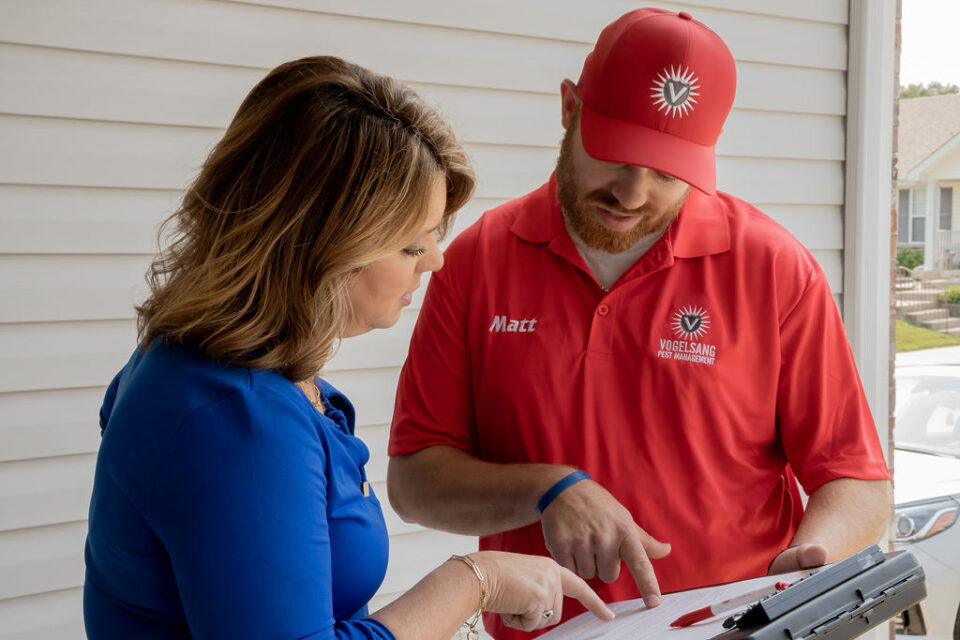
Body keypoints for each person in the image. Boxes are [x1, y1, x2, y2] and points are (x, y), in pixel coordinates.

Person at [386, 8, 892, 639]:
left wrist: (810, 564)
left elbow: (853, 479)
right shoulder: (475, 261)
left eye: (665, 170)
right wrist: (546, 491)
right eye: (617, 156)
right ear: (569, 109)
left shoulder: (775, 269)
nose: (632, 193)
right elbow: (414, 481)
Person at [82, 56, 615, 640]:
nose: (436, 261)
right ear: (321, 247)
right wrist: (476, 579)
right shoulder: (237, 419)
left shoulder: (220, 367)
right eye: (413, 246)